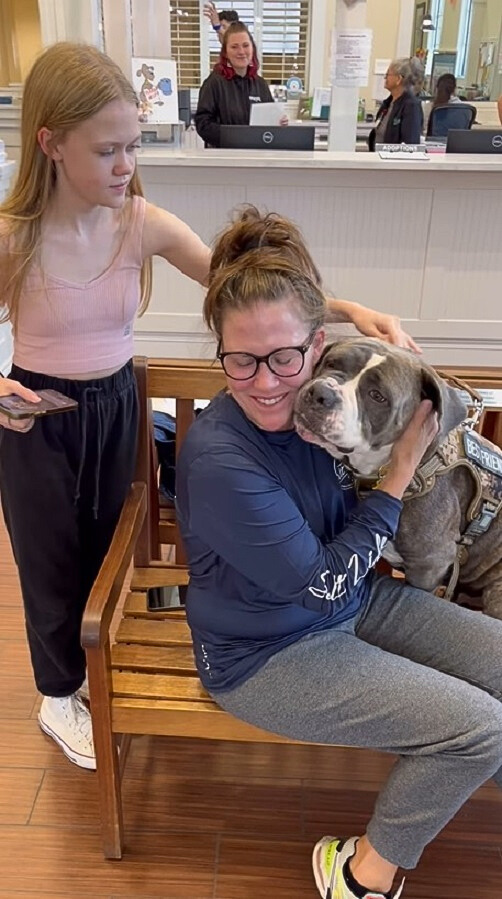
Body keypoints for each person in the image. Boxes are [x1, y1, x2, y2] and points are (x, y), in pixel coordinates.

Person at [0, 42, 421, 773]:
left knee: (107, 547)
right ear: (52, 144)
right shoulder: (15, 237)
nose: (127, 164)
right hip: (38, 421)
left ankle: (99, 659)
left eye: (132, 145)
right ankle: (58, 690)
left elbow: (248, 283)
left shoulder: (141, 223)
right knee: (48, 563)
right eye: (108, 150)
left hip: (116, 405)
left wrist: (350, 309)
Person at [176, 205, 502, 899]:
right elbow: (319, 586)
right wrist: (402, 469)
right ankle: (361, 875)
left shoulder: (316, 395)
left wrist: (362, 312)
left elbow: (307, 315)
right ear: (221, 353)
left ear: (318, 345)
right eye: (241, 359)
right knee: (479, 725)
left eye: (285, 356)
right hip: (267, 652)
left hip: (353, 596)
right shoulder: (219, 457)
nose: (266, 380)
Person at [194, 22, 287, 147]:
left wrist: (279, 123)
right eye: (234, 47)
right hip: (224, 158)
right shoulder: (214, 83)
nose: (241, 51)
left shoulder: (260, 84)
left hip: (256, 156)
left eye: (245, 45)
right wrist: (234, 136)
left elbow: (268, 121)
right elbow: (203, 124)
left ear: (252, 49)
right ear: (225, 53)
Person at [369, 57, 424, 150]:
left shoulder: (411, 106)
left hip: (394, 162)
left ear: (398, 79)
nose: (385, 78)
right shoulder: (388, 103)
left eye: (388, 74)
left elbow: (410, 145)